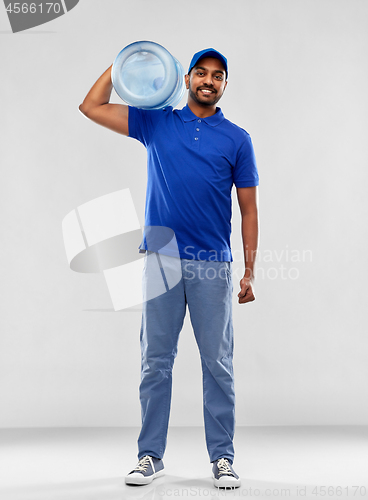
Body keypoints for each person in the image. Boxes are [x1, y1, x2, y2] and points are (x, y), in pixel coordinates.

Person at [79, 47, 259, 489]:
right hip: (160, 260)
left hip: (212, 265)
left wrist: (249, 270)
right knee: (155, 362)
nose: (209, 80)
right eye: (201, 72)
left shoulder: (237, 138)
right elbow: (91, 106)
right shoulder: (156, 123)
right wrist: (122, 65)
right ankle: (149, 456)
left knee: (218, 364)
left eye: (218, 75)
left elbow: (249, 210)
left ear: (224, 85)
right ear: (186, 78)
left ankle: (223, 458)